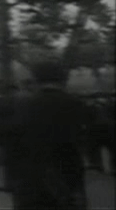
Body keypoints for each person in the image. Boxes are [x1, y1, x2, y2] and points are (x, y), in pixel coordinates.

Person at [7, 60, 89, 210]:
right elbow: (80, 143)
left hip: (31, 179)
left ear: (36, 79)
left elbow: (14, 144)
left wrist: (14, 179)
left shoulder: (25, 105)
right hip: (65, 176)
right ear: (63, 79)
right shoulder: (75, 103)